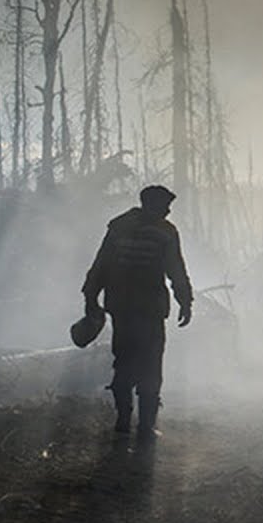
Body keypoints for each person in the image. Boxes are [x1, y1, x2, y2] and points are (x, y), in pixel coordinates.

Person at [82, 185, 193, 439]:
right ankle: (145, 427)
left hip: (121, 308)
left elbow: (100, 265)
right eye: (165, 205)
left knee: (123, 362)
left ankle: (123, 422)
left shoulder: (118, 228)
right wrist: (185, 301)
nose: (167, 210)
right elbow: (176, 270)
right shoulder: (165, 232)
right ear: (153, 204)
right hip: (150, 310)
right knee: (151, 365)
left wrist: (91, 298)